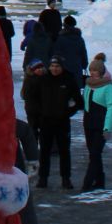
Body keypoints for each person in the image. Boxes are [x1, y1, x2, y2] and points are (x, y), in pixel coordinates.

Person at [31, 56, 79, 188]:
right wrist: (40, 115)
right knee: (44, 151)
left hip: (62, 122)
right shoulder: (43, 80)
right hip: (46, 121)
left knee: (64, 151)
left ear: (62, 67)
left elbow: (78, 101)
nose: (54, 69)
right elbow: (34, 99)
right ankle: (43, 178)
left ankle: (65, 178)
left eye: (57, 66)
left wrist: (68, 112)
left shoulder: (68, 80)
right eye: (52, 66)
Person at [81, 60, 112, 190]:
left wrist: (107, 128)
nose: (93, 73)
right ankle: (100, 181)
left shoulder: (108, 86)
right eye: (91, 70)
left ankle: (87, 184)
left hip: (101, 125)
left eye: (95, 70)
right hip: (88, 124)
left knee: (95, 153)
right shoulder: (89, 84)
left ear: (101, 71)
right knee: (94, 154)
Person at [54, 16, 89, 86]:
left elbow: (56, 54)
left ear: (64, 25)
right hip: (77, 68)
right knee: (76, 90)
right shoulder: (79, 39)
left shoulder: (60, 38)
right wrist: (84, 65)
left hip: (63, 69)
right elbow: (83, 53)